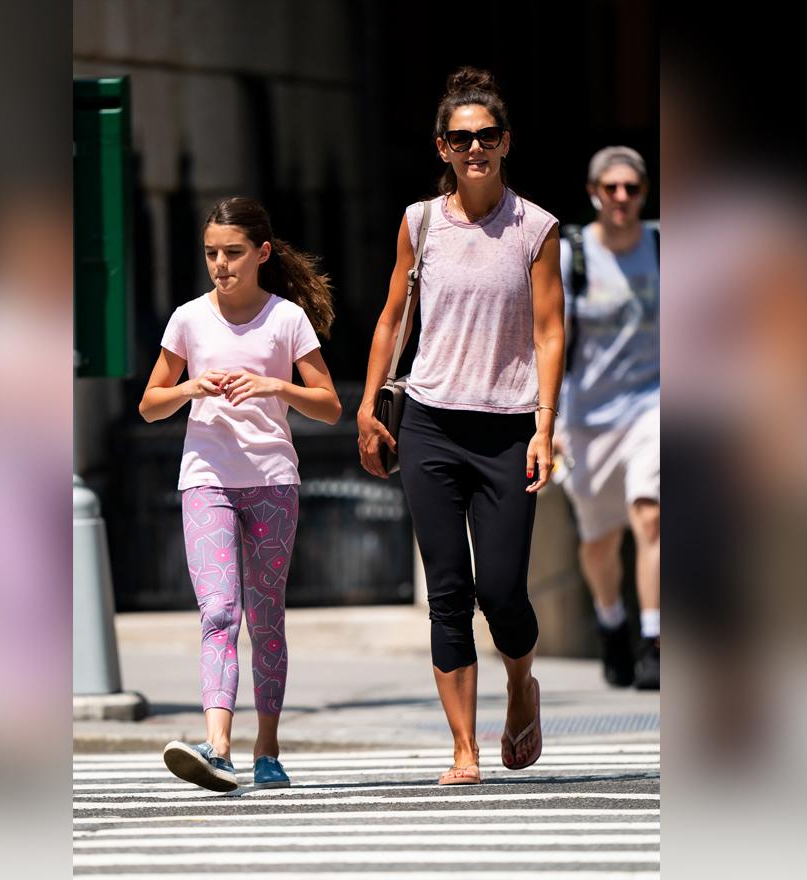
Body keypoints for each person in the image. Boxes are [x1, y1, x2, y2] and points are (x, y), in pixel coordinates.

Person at [357, 67, 565, 785]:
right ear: (441, 146)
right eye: (459, 137)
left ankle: (519, 686)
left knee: (502, 591)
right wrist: (366, 406)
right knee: (447, 589)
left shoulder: (535, 228)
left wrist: (543, 426)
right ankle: (464, 752)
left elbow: (548, 331)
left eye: (485, 136)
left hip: (507, 427)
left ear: (505, 143)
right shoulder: (420, 223)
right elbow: (393, 317)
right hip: (431, 424)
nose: (473, 148)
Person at [139, 197, 342, 792]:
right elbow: (149, 404)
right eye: (211, 254)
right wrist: (190, 387)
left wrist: (273, 384)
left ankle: (268, 749)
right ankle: (218, 745)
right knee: (219, 612)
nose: (220, 265)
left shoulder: (286, 320)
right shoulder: (188, 320)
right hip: (206, 478)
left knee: (267, 618)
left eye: (231, 253)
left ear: (261, 253)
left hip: (274, 480)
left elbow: (330, 406)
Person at [555, 146, 661, 690]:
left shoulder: (664, 247)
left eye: (632, 188)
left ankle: (654, 641)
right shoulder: (572, 254)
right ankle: (612, 622)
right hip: (585, 417)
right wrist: (545, 425)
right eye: (612, 188)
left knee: (651, 515)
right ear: (595, 192)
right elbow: (547, 341)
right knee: (599, 539)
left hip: (653, 403)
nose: (622, 197)